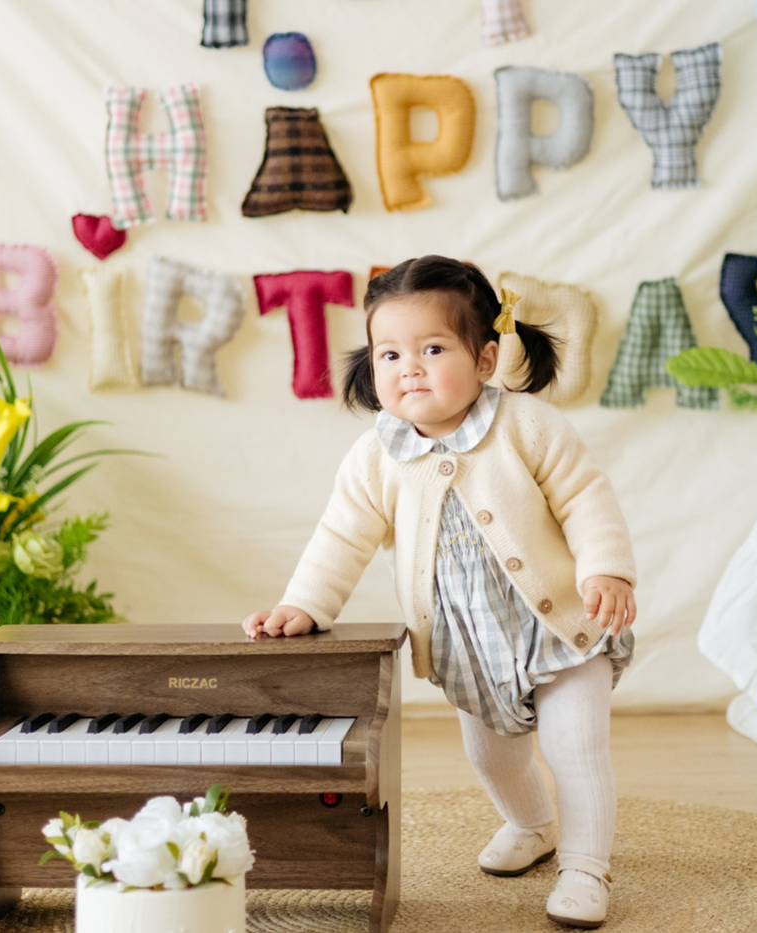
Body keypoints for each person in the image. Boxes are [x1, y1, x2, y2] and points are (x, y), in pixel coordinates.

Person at [241, 255, 637, 929]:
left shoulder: (527, 425)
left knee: (575, 747)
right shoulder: (377, 456)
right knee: (493, 756)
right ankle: (532, 824)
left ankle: (585, 866)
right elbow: (341, 536)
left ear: (485, 359)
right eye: (390, 354)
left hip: (560, 627)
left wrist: (607, 570)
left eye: (432, 349)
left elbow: (585, 496)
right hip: (471, 649)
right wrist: (304, 604)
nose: (410, 369)